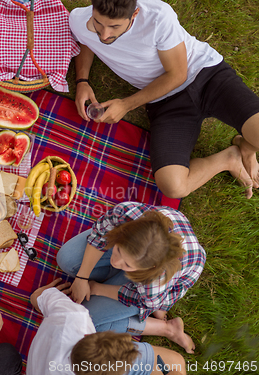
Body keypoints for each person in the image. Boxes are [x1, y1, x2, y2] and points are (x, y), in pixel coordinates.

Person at [71, 0, 259, 199]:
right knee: (173, 187)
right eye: (99, 23)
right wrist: (82, 81)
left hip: (206, 74)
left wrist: (126, 104)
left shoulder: (158, 16)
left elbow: (178, 74)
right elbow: (85, 41)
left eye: (115, 26)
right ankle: (228, 158)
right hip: (164, 101)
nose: (104, 34)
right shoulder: (78, 20)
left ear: (134, 14)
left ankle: (247, 146)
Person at [56, 202, 206, 354]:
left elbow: (137, 297)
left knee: (88, 321)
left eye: (127, 264)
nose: (115, 262)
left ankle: (167, 328)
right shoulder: (126, 213)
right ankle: (122, 270)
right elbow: (100, 234)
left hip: (154, 288)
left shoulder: (155, 283)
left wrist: (96, 288)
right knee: (66, 259)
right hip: (145, 253)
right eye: (119, 249)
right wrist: (82, 278)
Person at [27, 279, 186, 375]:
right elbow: (37, 297)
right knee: (176, 363)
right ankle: (166, 329)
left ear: (87, 336)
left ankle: (166, 328)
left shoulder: (74, 318)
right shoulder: (77, 317)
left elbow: (37, 297)